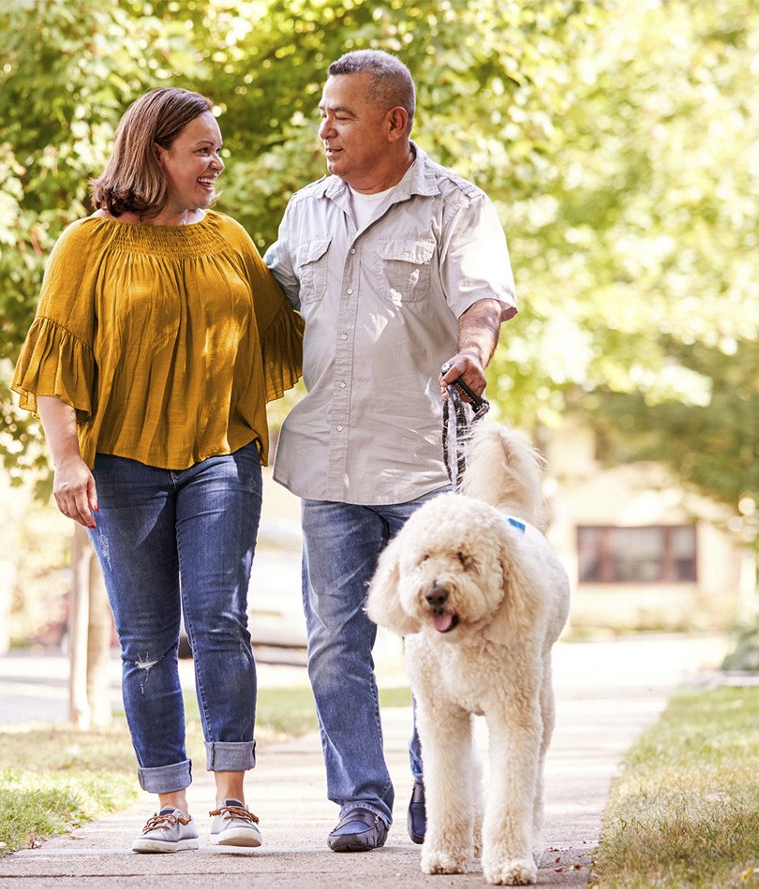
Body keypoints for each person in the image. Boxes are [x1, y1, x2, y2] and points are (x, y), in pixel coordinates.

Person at [11, 87, 303, 854]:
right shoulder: (87, 247)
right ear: (156, 154)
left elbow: (291, 327)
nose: (216, 161)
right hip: (121, 468)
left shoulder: (230, 239)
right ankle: (169, 801)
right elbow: (53, 362)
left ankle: (232, 798)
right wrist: (66, 458)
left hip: (220, 457)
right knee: (144, 640)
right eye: (202, 149)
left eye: (217, 147)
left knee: (220, 623)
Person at [265, 49, 517, 853]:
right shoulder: (307, 209)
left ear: (394, 122)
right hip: (329, 464)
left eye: (341, 114)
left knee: (435, 636)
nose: (324, 129)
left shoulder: (457, 206)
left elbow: (483, 300)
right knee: (336, 636)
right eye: (324, 112)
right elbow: (263, 302)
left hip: (426, 465)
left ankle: (430, 792)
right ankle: (359, 801)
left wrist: (474, 351)